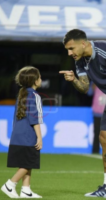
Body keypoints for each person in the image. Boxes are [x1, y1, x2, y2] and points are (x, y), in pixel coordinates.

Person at [60, 29, 106, 197]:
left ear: (84, 44)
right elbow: (85, 87)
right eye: (67, 50)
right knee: (103, 137)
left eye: (71, 48)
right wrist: (74, 80)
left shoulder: (103, 50)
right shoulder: (80, 62)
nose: (69, 53)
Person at [1, 66, 43, 199]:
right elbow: (34, 118)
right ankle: (10, 184)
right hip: (28, 136)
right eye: (40, 77)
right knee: (28, 162)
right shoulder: (35, 96)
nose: (41, 79)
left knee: (25, 162)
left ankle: (26, 190)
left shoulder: (21, 94)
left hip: (17, 135)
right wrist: (39, 137)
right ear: (35, 81)